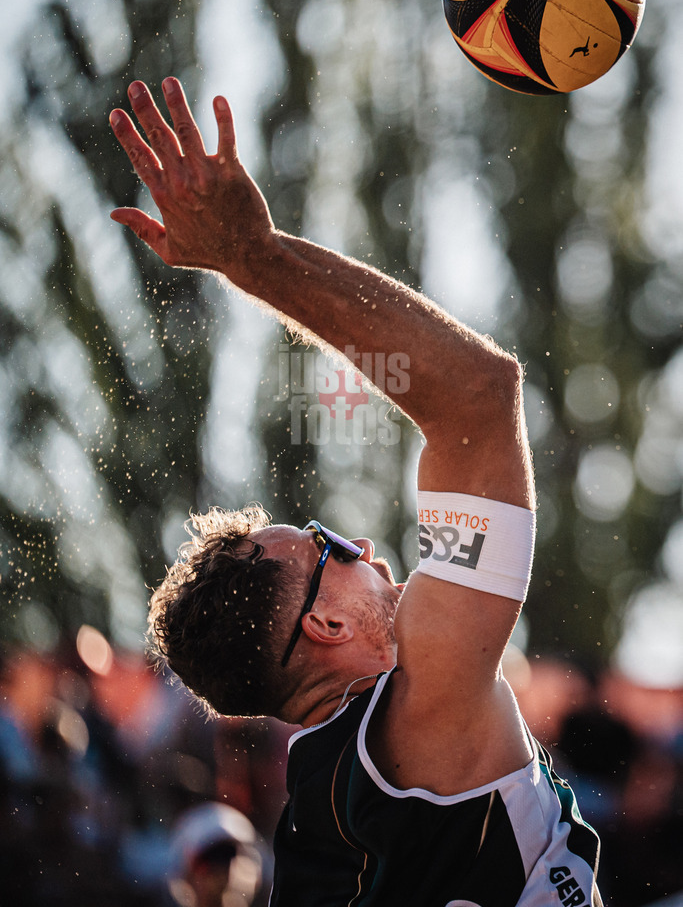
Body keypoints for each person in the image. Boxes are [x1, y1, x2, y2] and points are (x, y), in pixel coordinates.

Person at [109, 77, 603, 906]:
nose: (368, 548)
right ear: (326, 623)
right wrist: (251, 258)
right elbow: (477, 396)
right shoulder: (422, 708)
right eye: (332, 547)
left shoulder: (316, 813)